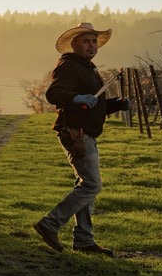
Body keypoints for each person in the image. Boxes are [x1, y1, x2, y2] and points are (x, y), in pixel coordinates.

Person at [31, 22, 130, 257]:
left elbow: (92, 106)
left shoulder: (89, 68)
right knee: (92, 184)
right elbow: (53, 94)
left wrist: (116, 104)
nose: (92, 45)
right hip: (75, 133)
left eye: (94, 41)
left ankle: (84, 240)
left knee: (85, 185)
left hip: (86, 133)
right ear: (75, 44)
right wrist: (76, 98)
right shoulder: (69, 66)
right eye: (86, 41)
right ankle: (50, 224)